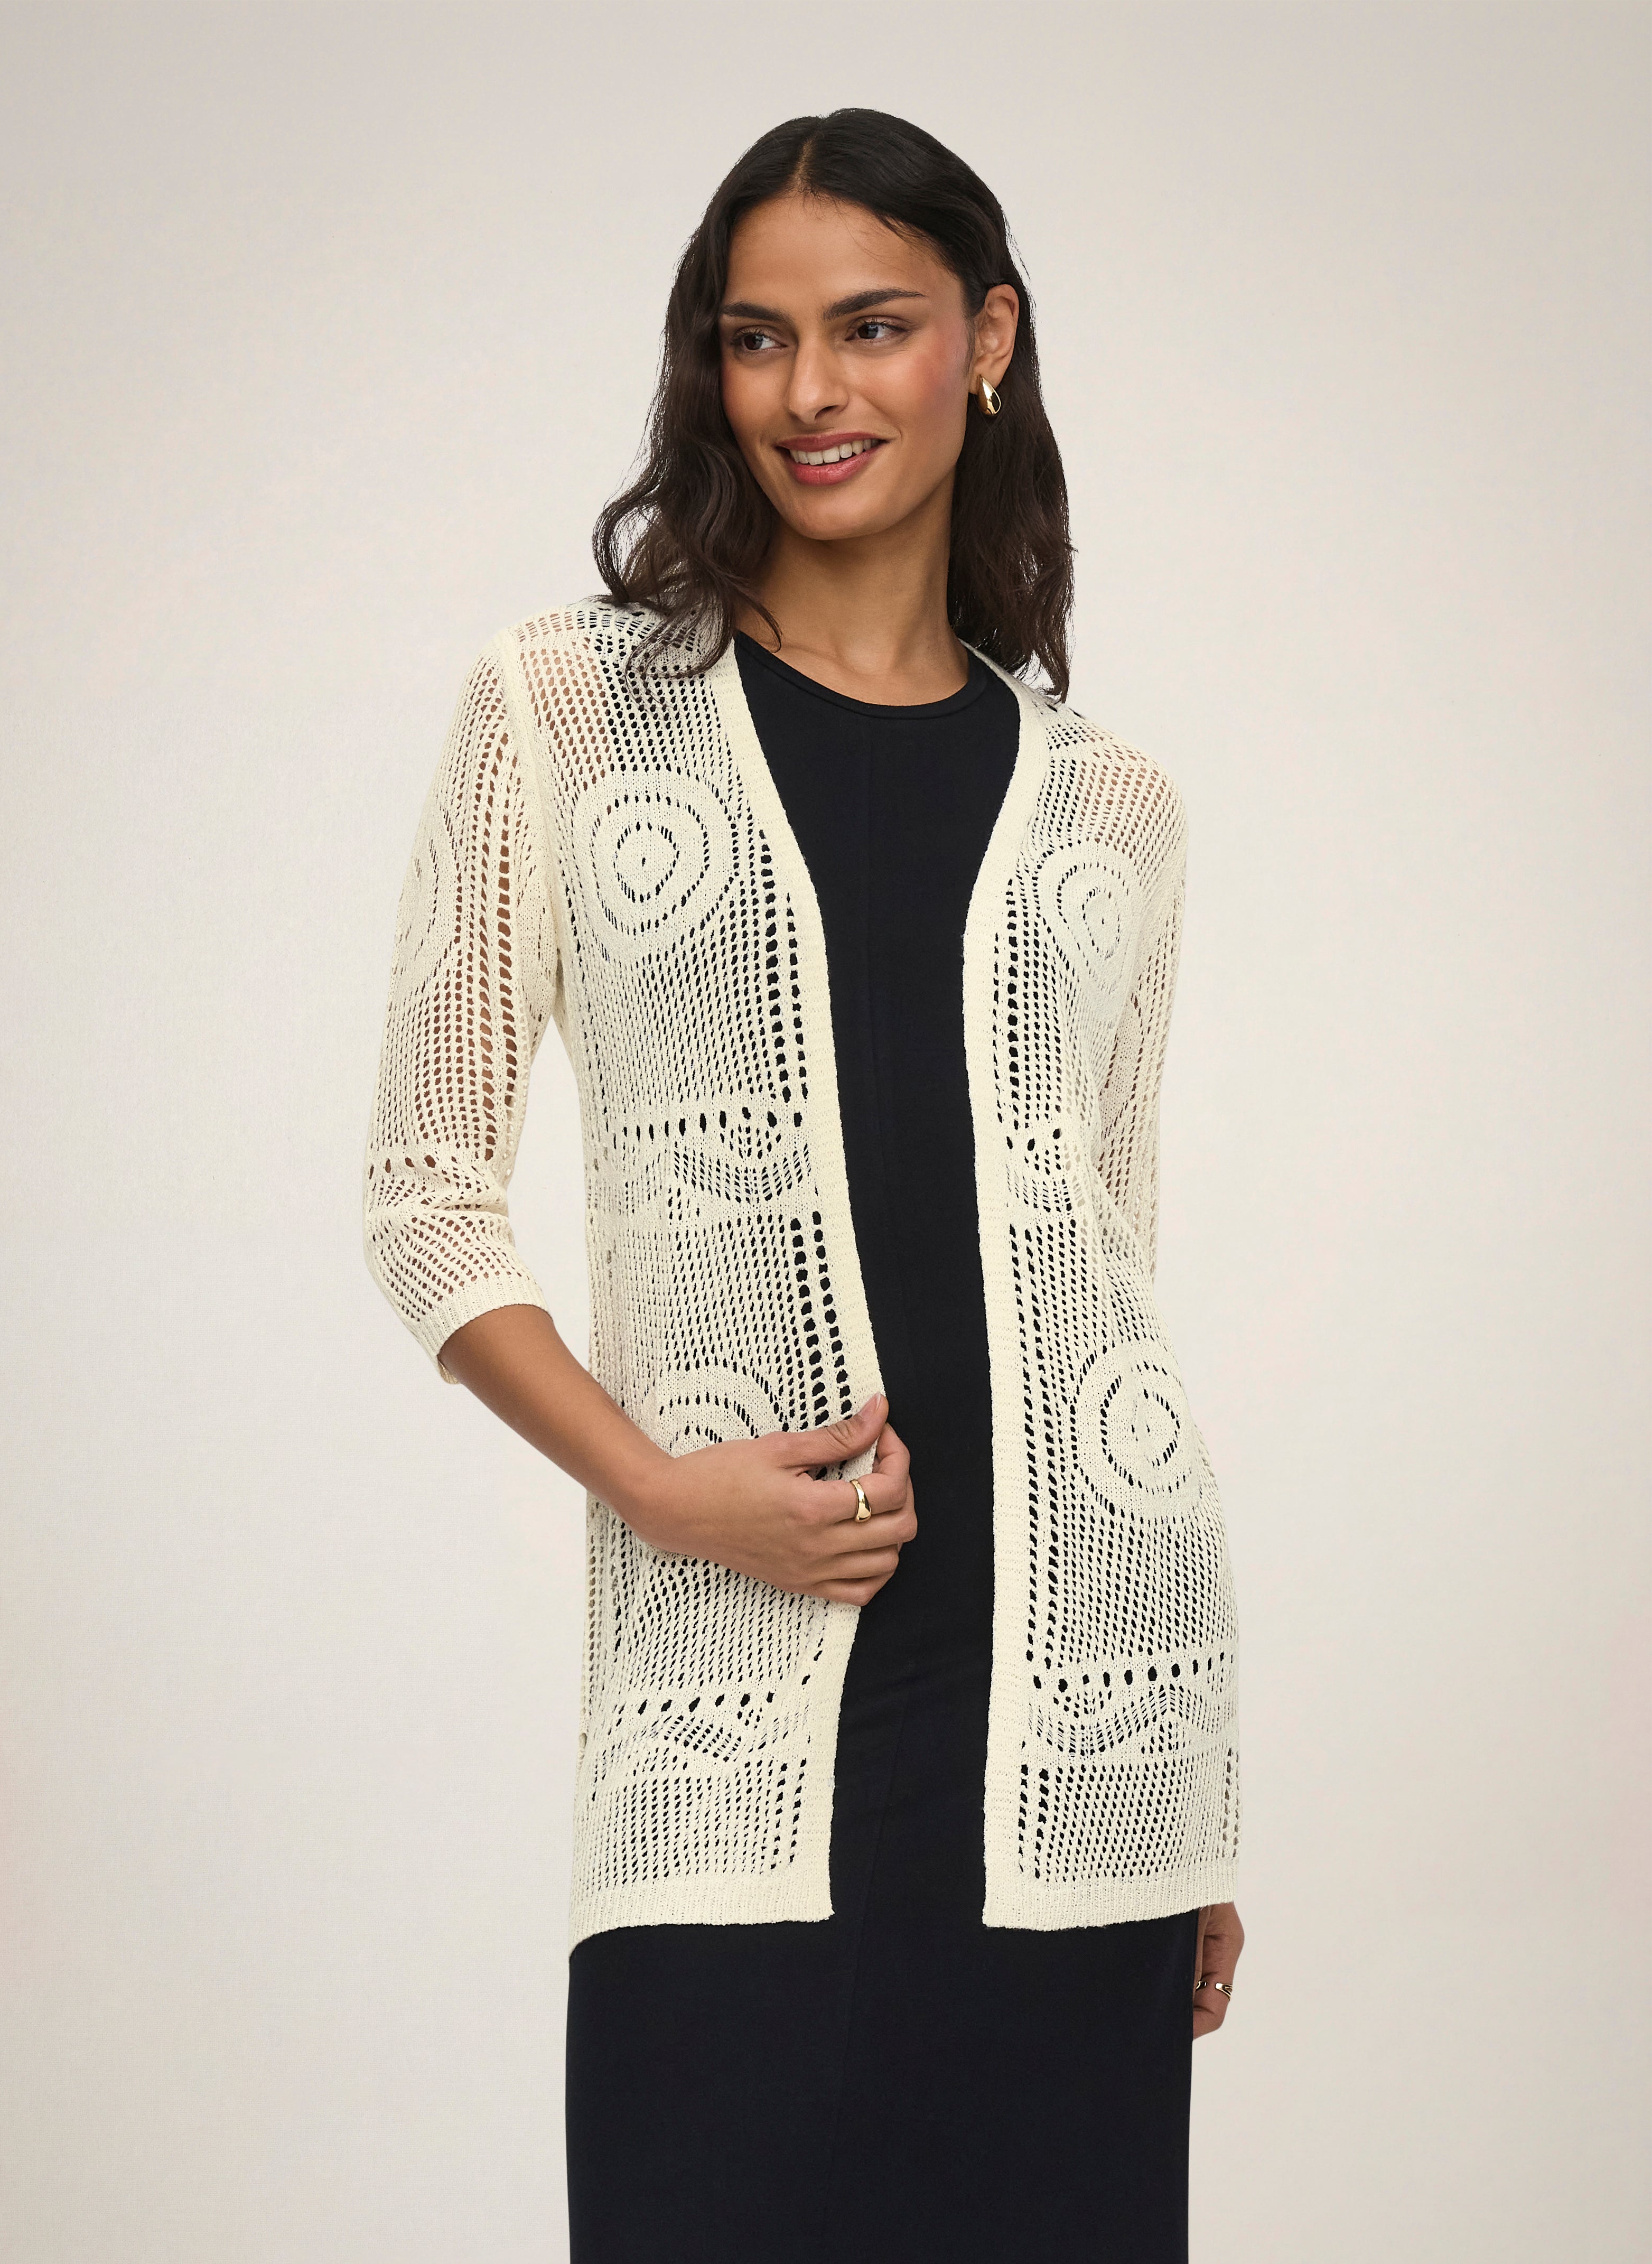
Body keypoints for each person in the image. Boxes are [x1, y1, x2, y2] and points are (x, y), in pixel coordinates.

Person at [363, 107, 1244, 2264]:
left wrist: (1179, 1799)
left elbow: (1109, 1266)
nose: (810, 390)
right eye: (757, 339)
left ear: (989, 341)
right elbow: (423, 1192)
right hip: (734, 1742)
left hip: (1085, 1750)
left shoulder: (1115, 806)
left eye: (873, 327)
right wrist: (665, 1491)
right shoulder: (566, 707)